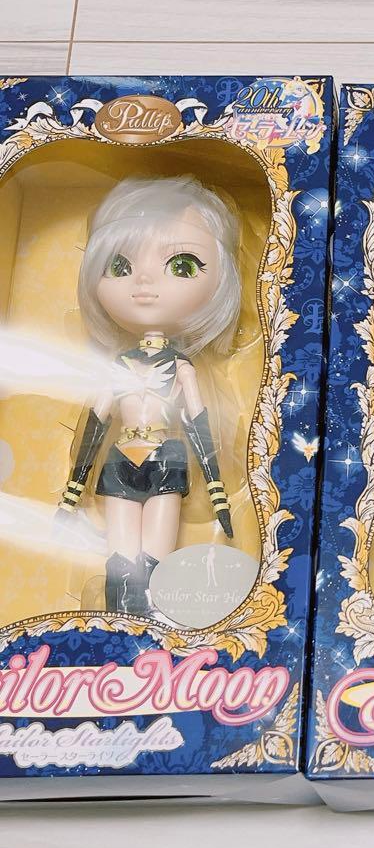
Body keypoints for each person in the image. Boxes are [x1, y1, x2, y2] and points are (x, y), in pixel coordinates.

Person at [56, 176, 241, 616]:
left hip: (165, 460)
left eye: (181, 265)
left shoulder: (182, 368)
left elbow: (199, 426)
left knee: (155, 560)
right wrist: (73, 490)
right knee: (120, 560)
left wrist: (217, 490)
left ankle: (152, 628)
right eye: (119, 266)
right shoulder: (118, 366)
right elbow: (95, 426)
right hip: (120, 461)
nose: (142, 281)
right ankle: (118, 628)